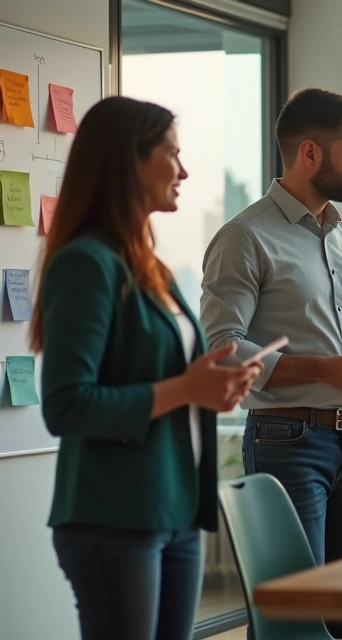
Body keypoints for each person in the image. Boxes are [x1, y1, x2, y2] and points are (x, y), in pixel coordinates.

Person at [32, 96, 260, 640]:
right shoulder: (86, 264)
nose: (184, 171)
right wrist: (186, 387)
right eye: (171, 154)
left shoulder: (150, 266)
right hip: (115, 519)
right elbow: (66, 405)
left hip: (174, 512)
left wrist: (210, 386)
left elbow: (168, 383)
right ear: (126, 161)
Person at [201, 88, 342, 639]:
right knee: (291, 623)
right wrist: (324, 369)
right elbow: (224, 347)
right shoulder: (244, 237)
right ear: (310, 154)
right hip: (286, 441)